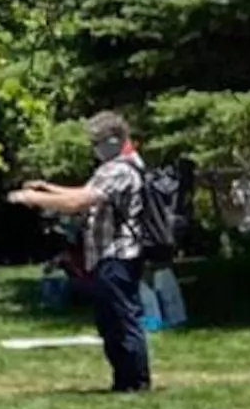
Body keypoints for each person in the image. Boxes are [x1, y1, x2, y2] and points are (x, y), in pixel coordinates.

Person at [9, 111, 153, 392]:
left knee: (123, 320)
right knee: (110, 322)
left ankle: (135, 382)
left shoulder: (121, 169)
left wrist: (34, 198)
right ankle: (123, 380)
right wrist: (48, 188)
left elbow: (79, 201)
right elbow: (85, 191)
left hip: (118, 255)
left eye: (97, 142)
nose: (94, 148)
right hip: (106, 255)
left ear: (114, 140)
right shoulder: (114, 168)